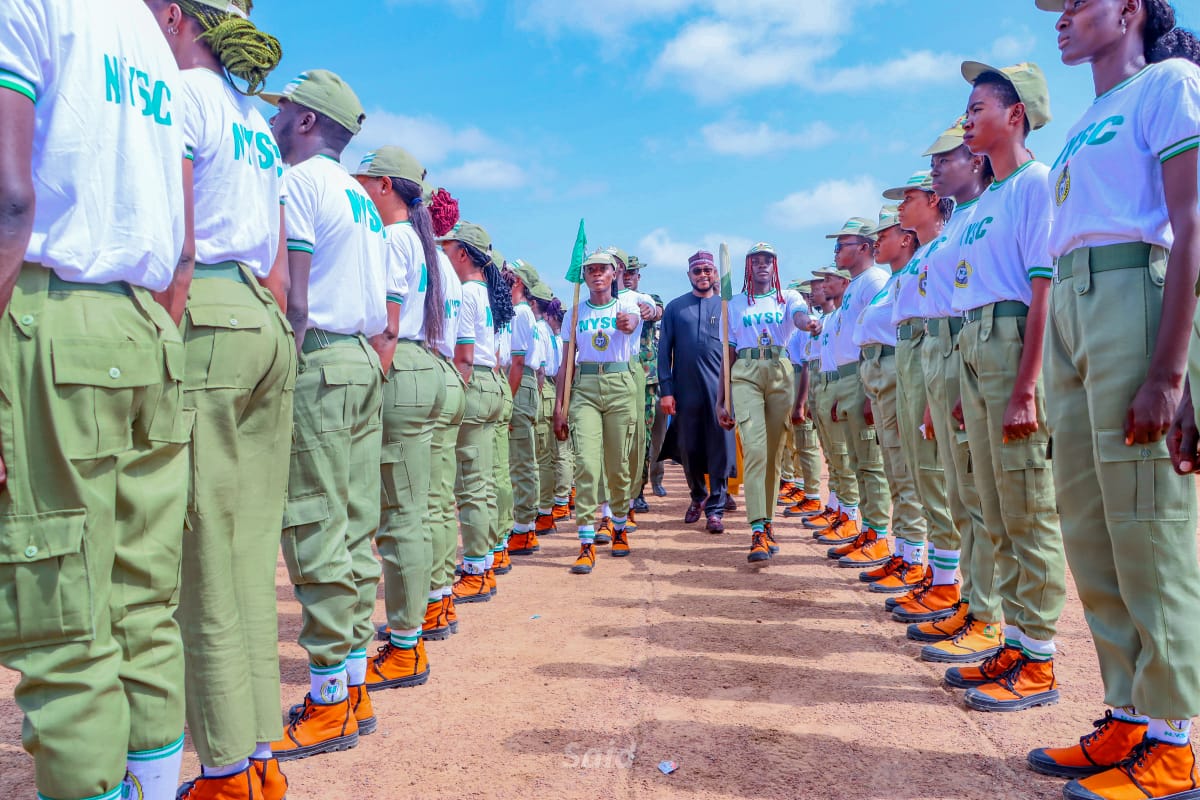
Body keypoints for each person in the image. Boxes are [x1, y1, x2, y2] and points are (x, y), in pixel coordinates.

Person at [0, 2, 189, 799]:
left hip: (57, 307)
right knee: (142, 604)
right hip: (144, 320)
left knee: (64, 620)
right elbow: (180, 236)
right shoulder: (150, 36)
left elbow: (10, 199)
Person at [1034, 3, 1200, 798]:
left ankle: (1173, 745)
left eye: (1076, 2)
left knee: (1145, 522)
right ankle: (1128, 714)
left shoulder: (1169, 83)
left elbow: (1192, 221)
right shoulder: (1086, 119)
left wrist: (1171, 373)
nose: (1062, 18)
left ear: (1129, 9)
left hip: (1132, 290)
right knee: (1092, 524)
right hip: (1073, 308)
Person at [143, 1, 293, 796]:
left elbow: (182, 235)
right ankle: (257, 752)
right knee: (245, 552)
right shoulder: (247, 116)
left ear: (177, 19)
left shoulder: (183, 96)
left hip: (205, 311)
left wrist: (164, 332)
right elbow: (272, 260)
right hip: (262, 320)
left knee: (199, 556)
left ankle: (227, 767)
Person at [264, 69, 386, 759]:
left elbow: (297, 298)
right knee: (351, 528)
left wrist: (281, 367)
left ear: (307, 121)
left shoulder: (300, 183)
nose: (276, 119)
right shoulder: (355, 194)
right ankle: (352, 684)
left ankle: (330, 701)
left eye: (284, 108)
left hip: (322, 362)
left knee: (314, 526)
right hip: (362, 362)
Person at [947, 60, 1066, 714]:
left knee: (1026, 504)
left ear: (1014, 114)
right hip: (975, 345)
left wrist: (1028, 386)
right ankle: (1015, 641)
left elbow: (1043, 288)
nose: (967, 119)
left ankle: (1040, 658)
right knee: (995, 507)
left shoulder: (1035, 185)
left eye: (976, 107)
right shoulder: (988, 199)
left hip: (1014, 341)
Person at [352, 146, 446, 692]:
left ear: (385, 184)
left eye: (365, 180)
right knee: (414, 506)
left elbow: (387, 326)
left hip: (399, 364)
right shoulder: (418, 240)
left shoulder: (393, 238)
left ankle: (406, 645)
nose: (359, 189)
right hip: (422, 365)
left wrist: (372, 381)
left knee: (398, 514)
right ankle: (409, 634)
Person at [912, 117, 1000, 662]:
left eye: (945, 158)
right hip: (955, 346)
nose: (936, 167)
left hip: (974, 341)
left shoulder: (1005, 198)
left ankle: (989, 614)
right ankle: (972, 601)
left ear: (975, 161)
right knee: (964, 492)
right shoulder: (965, 220)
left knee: (989, 496)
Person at [885, 171, 961, 625]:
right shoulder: (925, 254)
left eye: (908, 198)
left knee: (935, 472)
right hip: (915, 349)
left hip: (937, 347)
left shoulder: (948, 245)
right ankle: (939, 574)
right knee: (920, 469)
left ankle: (948, 582)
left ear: (934, 201)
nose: (900, 208)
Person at [717, 243, 808, 562]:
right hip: (745, 372)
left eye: (768, 260)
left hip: (780, 372)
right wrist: (721, 400)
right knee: (754, 449)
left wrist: (805, 322)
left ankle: (768, 523)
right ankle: (756, 528)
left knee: (773, 453)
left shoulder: (789, 298)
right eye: (756, 261)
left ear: (775, 265)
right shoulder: (734, 304)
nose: (762, 266)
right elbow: (727, 355)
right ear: (748, 267)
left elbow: (798, 317)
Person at [554, 251, 641, 573]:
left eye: (602, 269)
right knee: (587, 466)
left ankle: (618, 526)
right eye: (590, 270)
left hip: (620, 384)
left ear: (615, 272)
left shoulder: (626, 306)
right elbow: (566, 361)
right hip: (585, 386)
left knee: (617, 465)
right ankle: (586, 542)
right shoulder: (574, 312)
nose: (596, 274)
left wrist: (628, 323)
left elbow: (633, 323)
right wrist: (559, 406)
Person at [440, 223, 512, 603]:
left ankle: (475, 570)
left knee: (468, 487)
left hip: (473, 381)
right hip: (491, 383)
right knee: (480, 484)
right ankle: (482, 563)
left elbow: (462, 354)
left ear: (463, 253)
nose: (444, 255)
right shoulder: (485, 292)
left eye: (448, 248)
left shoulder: (467, 291)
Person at [847, 206, 920, 572]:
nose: (877, 242)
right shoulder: (892, 281)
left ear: (906, 238)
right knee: (894, 466)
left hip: (898, 367)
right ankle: (904, 553)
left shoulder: (907, 274)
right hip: (880, 371)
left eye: (884, 235)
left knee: (907, 467)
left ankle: (916, 560)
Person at [815, 219, 892, 557]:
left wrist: (867, 390)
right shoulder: (858, 286)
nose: (835, 252)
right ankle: (865, 527)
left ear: (864, 247)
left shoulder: (874, 280)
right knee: (858, 461)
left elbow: (881, 332)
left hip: (862, 374)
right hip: (846, 378)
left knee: (870, 463)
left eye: (841, 244)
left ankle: (877, 534)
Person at [658, 251, 737, 532]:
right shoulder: (676, 308)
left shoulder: (728, 307)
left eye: (708, 270)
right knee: (689, 449)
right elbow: (663, 351)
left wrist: (732, 391)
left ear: (715, 274)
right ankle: (698, 496)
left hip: (719, 391)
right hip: (685, 389)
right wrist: (666, 390)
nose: (703, 275)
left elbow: (736, 350)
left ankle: (715, 508)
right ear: (689, 275)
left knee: (719, 448)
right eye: (697, 271)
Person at [424, 190, 465, 641]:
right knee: (437, 500)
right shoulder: (449, 273)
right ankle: (440, 596)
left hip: (422, 366)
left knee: (414, 506)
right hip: (447, 372)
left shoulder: (417, 252)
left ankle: (431, 602)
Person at [506, 259, 546, 555]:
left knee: (520, 457)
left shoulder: (520, 312)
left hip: (518, 382)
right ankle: (523, 525)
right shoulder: (522, 313)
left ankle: (523, 528)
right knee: (521, 456)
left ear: (518, 282)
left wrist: (508, 400)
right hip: (523, 382)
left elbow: (518, 361)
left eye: (508, 273)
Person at [784, 277, 829, 519]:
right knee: (799, 441)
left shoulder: (812, 325)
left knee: (807, 442)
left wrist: (801, 402)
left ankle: (811, 494)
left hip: (807, 378)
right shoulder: (799, 326)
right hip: (797, 376)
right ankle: (803, 488)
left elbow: (807, 364)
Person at [624, 257, 668, 508]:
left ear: (639, 276)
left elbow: (655, 311)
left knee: (647, 438)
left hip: (647, 379)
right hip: (618, 377)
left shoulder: (648, 298)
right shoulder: (608, 303)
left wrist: (648, 310)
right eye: (624, 272)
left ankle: (640, 489)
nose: (628, 276)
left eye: (633, 272)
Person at [531, 282, 565, 534]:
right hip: (555, 388)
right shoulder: (553, 333)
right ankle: (557, 502)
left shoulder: (540, 329)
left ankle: (544, 509)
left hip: (543, 388)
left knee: (541, 455)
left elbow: (540, 367)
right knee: (556, 452)